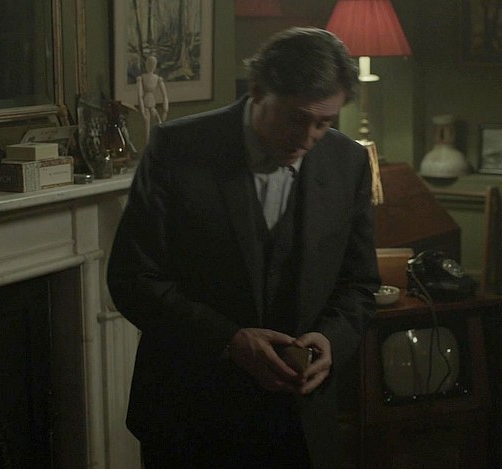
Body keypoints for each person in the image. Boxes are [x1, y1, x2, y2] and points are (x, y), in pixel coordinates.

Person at [107, 27, 380, 468]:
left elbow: (360, 284)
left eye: (324, 122)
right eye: (296, 118)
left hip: (300, 420)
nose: (308, 137)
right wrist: (229, 341)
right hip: (191, 412)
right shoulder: (176, 148)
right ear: (256, 89)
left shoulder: (348, 161)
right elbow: (132, 279)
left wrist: (332, 340)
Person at [137, 55, 169, 144]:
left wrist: (165, 110)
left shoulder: (157, 78)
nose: (151, 66)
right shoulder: (142, 78)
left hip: (152, 105)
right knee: (147, 130)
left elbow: (165, 95)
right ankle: (148, 147)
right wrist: (142, 110)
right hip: (146, 104)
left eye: (153, 64)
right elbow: (140, 95)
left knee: (159, 124)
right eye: (149, 64)